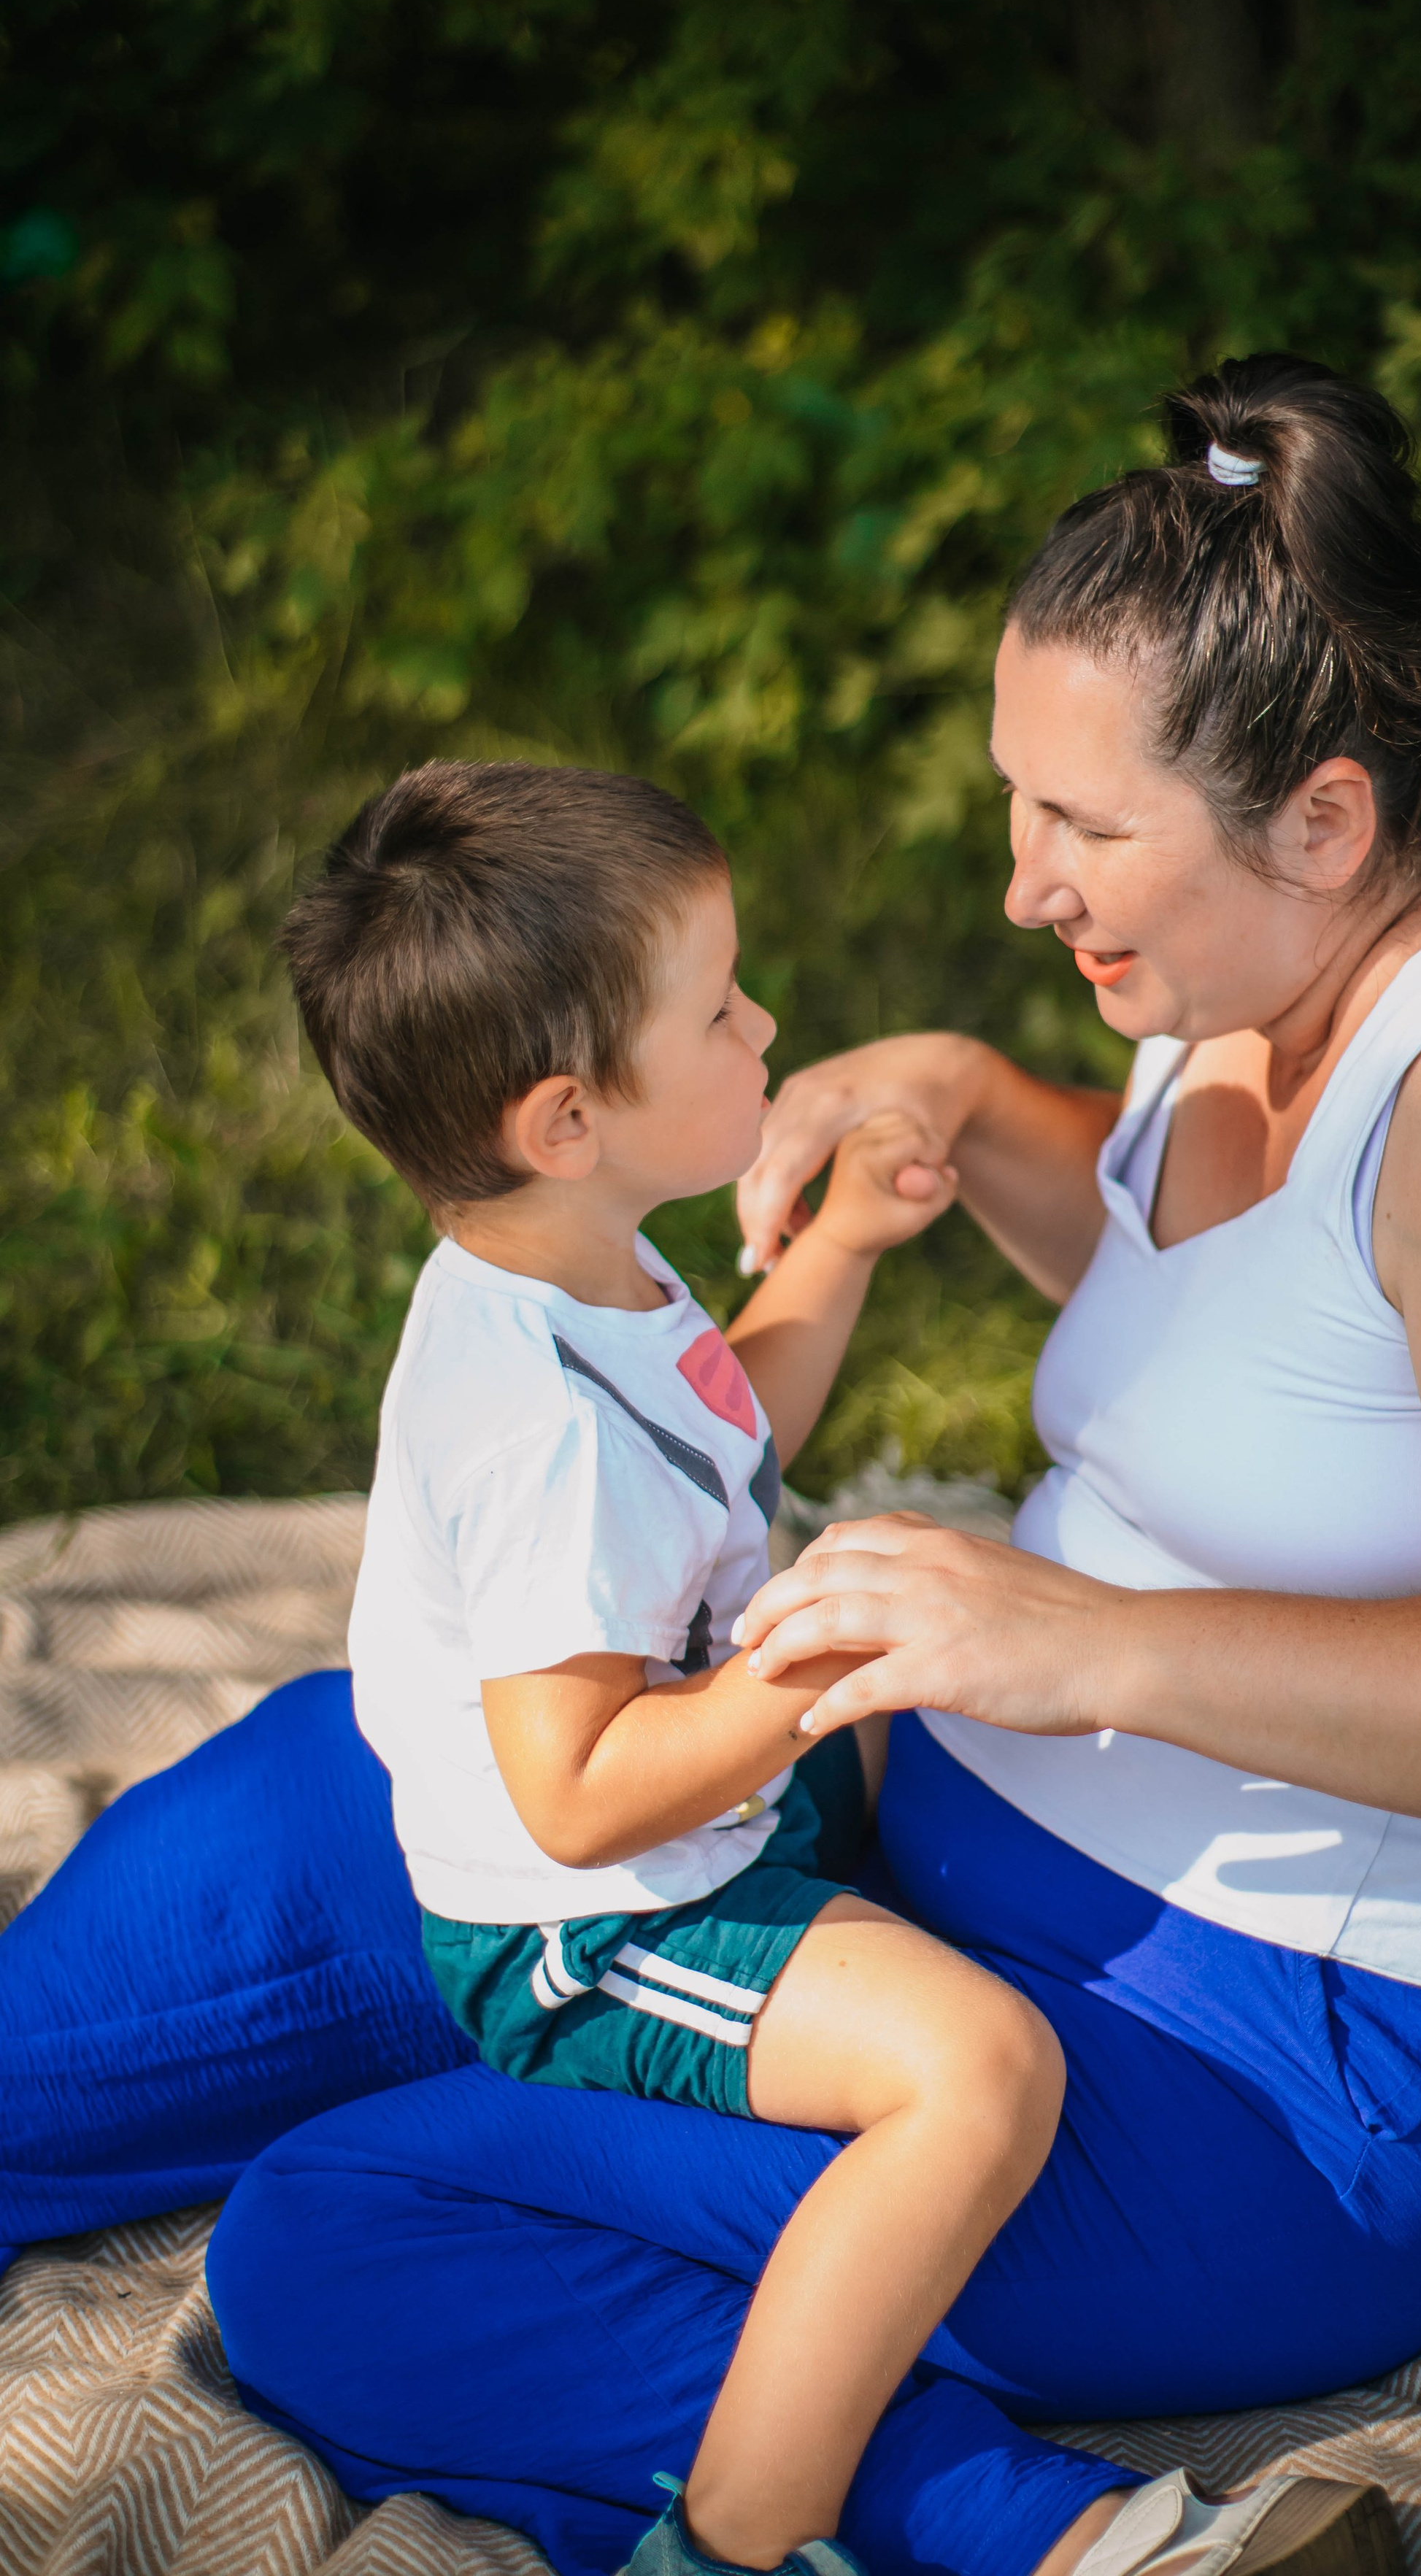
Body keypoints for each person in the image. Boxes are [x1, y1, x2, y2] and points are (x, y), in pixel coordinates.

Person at [212, 354, 1421, 2576]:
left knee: (334, 2232)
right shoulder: (1273, 966)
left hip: (1276, 2077)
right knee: (344, 1790)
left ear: (1325, 817)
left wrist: (1096, 1650)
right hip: (958, 1883)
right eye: (1016, 804)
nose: (1018, 885)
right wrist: (969, 1100)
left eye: (1081, 828)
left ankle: (1056, 2544)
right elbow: (1261, 1322)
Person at [276, 760, 1173, 2576]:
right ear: (561, 1117)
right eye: (715, 1008)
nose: (766, 1022)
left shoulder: (581, 1264)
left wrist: (835, 1244)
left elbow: (726, 1429)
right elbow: (580, 1794)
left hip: (705, 1800)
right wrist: (813, 1657)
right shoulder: (531, 1429)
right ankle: (739, 2535)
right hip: (602, 1923)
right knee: (978, 2070)